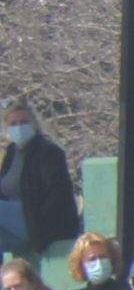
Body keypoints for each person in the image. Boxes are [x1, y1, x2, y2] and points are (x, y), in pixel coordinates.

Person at [0, 96, 84, 258]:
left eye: (23, 122)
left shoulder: (48, 153)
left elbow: (57, 197)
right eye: (13, 124)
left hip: (40, 222)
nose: (19, 128)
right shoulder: (12, 152)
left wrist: (40, 228)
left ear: (34, 125)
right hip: (17, 223)